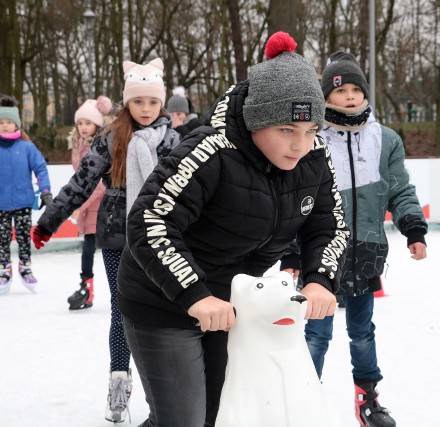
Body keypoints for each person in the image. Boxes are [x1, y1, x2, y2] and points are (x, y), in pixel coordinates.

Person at [115, 31, 349, 427]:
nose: (301, 145)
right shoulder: (210, 151)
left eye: (311, 130)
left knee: (219, 415)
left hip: (232, 307)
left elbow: (330, 224)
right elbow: (149, 220)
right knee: (182, 419)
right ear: (257, 121)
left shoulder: (314, 157)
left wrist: (321, 279)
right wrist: (194, 294)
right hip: (162, 300)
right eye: (287, 131)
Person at [282, 51, 428, 427]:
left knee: (362, 331)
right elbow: (296, 199)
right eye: (340, 89)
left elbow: (400, 189)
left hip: (366, 250)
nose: (349, 96)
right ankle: (304, 400)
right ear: (326, 97)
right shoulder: (312, 137)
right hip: (321, 253)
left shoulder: (385, 139)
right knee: (316, 332)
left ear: (365, 94)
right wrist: (293, 253)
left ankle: (368, 398)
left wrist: (413, 227)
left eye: (355, 89)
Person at [31, 58, 180, 423]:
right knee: (122, 310)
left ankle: (161, 392)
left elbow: (189, 191)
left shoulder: (174, 140)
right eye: (138, 101)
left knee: (163, 313)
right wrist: (49, 221)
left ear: (161, 104)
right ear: (127, 102)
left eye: (152, 102)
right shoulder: (112, 137)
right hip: (118, 235)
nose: (145, 109)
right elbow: (81, 183)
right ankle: (118, 380)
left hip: (161, 236)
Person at [0, 95, 52, 295]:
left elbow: (40, 169)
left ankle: (25, 266)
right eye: (1, 122)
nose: (5, 126)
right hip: (1, 204)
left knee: (23, 237)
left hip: (23, 202)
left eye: (9, 122)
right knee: (2, 239)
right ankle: (4, 269)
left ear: (17, 125)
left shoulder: (27, 147)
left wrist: (46, 191)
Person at [65, 96, 112, 310]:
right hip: (87, 206)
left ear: (97, 125)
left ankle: (119, 290)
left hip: (102, 207)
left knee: (106, 250)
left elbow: (100, 185)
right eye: (80, 123)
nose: (83, 127)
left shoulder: (99, 147)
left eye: (88, 123)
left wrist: (79, 205)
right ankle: (87, 289)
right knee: (88, 249)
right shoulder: (78, 146)